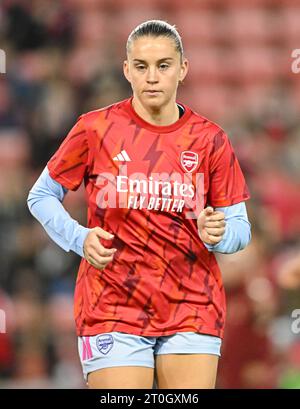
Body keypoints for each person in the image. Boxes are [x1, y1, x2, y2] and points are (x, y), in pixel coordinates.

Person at [27, 20, 251, 389]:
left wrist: (220, 236)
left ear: (183, 69)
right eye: (142, 66)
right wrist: (78, 238)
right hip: (113, 304)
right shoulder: (95, 129)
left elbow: (240, 229)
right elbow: (41, 195)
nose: (152, 77)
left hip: (192, 305)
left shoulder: (210, 139)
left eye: (163, 65)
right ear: (127, 70)